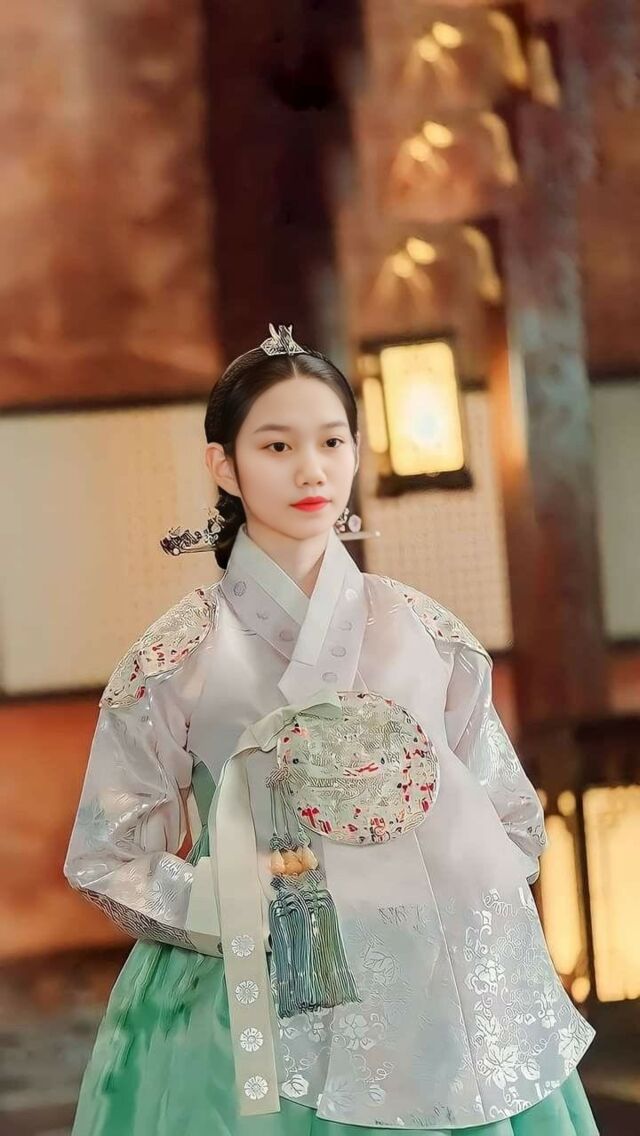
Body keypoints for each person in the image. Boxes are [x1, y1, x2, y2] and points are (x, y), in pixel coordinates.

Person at [64, 324, 599, 1135]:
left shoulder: (425, 631)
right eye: (277, 445)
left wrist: (445, 910)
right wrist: (234, 904)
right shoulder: (182, 652)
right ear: (224, 465)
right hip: (262, 979)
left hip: (438, 995)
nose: (312, 469)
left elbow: (512, 817)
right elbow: (108, 850)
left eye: (332, 441)